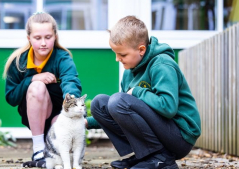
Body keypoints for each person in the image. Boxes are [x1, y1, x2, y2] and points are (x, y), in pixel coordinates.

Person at [85, 16, 201, 169]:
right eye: (115, 53)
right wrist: (86, 122)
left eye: (122, 54)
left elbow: (168, 107)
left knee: (118, 100)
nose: (117, 59)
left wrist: (138, 92)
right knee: (99, 103)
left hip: (179, 136)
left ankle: (161, 159)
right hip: (161, 133)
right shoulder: (130, 72)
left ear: (141, 49)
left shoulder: (162, 64)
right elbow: (121, 114)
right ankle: (146, 156)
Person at [3, 12, 81, 162]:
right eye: (37, 38)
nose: (43, 43)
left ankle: (57, 149)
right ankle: (38, 150)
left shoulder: (62, 58)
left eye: (48, 37)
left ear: (55, 36)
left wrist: (71, 99)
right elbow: (11, 97)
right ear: (29, 39)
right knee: (37, 86)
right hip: (35, 115)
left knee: (61, 155)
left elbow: (70, 80)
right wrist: (32, 79)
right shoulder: (19, 61)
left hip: (59, 116)